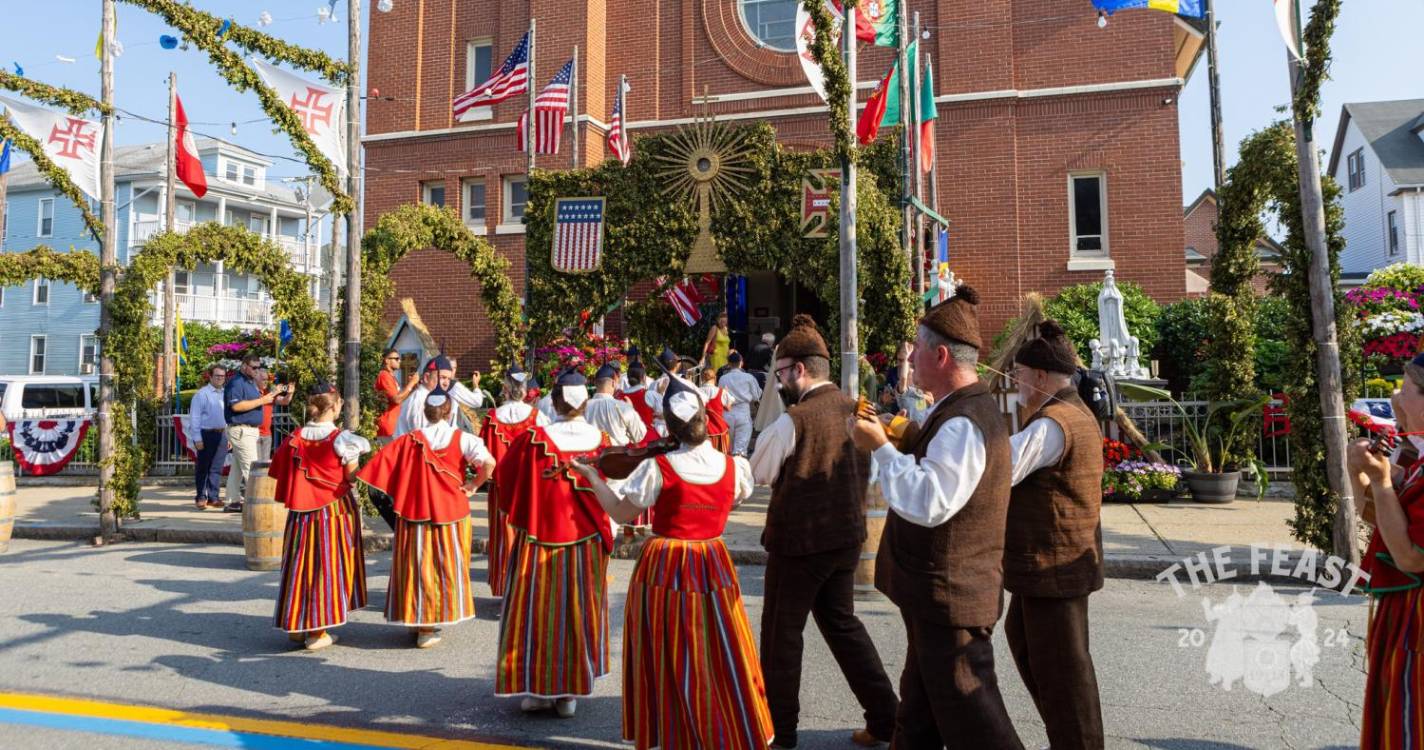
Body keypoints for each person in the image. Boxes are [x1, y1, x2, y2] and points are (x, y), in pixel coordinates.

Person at [849, 286, 1024, 750]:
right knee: (920, 713)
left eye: (916, 350)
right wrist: (901, 433)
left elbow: (929, 501)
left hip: (951, 597)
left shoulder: (965, 420)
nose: (910, 360)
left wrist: (881, 448)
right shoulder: (959, 410)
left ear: (941, 355)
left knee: (976, 718)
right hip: (938, 595)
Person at [574, 375, 774, 749]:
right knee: (719, 645)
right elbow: (734, 499)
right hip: (712, 557)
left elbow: (618, 510)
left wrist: (591, 477)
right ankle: (725, 726)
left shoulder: (658, 467)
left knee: (667, 649)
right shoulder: (734, 468)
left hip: (665, 560)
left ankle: (673, 731)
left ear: (671, 425)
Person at [750, 314, 899, 749]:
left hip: (799, 542)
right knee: (843, 626)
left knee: (781, 635)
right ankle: (886, 719)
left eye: (780, 374)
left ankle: (781, 733)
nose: (778, 383)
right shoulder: (859, 410)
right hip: (846, 537)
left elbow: (759, 474)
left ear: (798, 370)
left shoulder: (792, 421)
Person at [1004, 321, 1106, 750]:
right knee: (1030, 646)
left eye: (1021, 374)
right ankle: (1066, 737)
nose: (1016, 381)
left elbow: (999, 470)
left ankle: (1077, 744)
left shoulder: (1053, 423)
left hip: (1054, 566)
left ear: (1041, 376)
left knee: (1064, 671)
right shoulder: (1068, 412)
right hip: (1046, 566)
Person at [493, 370, 612, 718]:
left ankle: (540, 689)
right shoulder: (601, 442)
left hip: (537, 538)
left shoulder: (533, 439)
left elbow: (506, 481)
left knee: (537, 613)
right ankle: (569, 692)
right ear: (585, 402)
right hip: (586, 541)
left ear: (555, 400)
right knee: (577, 613)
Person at [358, 385, 496, 648]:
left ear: (426, 412)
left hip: (414, 512)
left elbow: (377, 471)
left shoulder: (409, 439)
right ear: (449, 411)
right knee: (444, 567)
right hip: (451, 513)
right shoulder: (463, 438)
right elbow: (489, 464)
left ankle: (417, 619)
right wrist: (474, 485)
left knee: (416, 566)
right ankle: (429, 624)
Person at [1349, 353, 1424, 750]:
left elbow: (1411, 555)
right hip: (1404, 614)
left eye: (1406, 388)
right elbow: (1379, 519)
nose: (1396, 397)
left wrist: (1379, 481)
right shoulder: (1416, 456)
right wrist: (1358, 471)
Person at [269, 383, 371, 651]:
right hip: (333, 512)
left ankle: (297, 624)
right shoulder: (342, 439)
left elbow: (279, 471)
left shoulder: (295, 437)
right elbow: (350, 477)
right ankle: (317, 631)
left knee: (299, 566)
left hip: (300, 514)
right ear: (336, 406)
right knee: (325, 567)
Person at [477, 362, 549, 597]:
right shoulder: (538, 417)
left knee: (502, 536)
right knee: (528, 533)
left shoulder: (492, 418)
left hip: (500, 488)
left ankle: (505, 587)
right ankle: (527, 587)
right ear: (525, 389)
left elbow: (481, 454)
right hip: (530, 487)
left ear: (506, 388)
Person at [224, 355, 278, 512]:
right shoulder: (236, 383)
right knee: (252, 470)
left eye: (258, 367)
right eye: (253, 367)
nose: (257, 370)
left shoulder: (249, 383)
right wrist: (262, 401)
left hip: (248, 429)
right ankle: (261, 505)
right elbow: (236, 407)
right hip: (241, 429)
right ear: (244, 366)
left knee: (237, 469)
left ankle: (232, 502)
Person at [395, 353, 484, 436]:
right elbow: (423, 439)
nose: (446, 383)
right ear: (426, 378)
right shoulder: (421, 401)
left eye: (448, 379)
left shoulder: (430, 398)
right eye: (442, 378)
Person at [186, 364, 229, 511]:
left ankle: (213, 497)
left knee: (217, 468)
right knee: (203, 467)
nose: (220, 379)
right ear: (210, 377)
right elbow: (195, 418)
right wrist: (197, 439)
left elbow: (228, 416)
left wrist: (228, 436)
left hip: (222, 433)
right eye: (217, 376)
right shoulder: (202, 394)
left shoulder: (226, 393)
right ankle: (200, 497)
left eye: (222, 376)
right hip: (206, 434)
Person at [583, 363, 648, 448]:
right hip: (618, 457)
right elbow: (638, 435)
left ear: (595, 383)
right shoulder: (624, 407)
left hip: (592, 456)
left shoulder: (583, 408)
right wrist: (631, 409)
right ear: (613, 383)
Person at [719, 352, 763, 456]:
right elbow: (757, 396)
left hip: (727, 414)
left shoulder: (723, 378)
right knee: (740, 451)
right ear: (741, 363)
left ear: (728, 364)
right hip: (743, 413)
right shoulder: (748, 377)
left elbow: (721, 396)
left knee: (728, 450)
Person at [375, 348, 418, 444]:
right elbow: (396, 400)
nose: (400, 361)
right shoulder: (384, 376)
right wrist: (411, 384)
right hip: (387, 426)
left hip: (393, 426)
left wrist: (412, 387)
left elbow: (400, 397)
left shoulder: (391, 377)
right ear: (386, 360)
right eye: (396, 358)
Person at [615, 359, 657, 448]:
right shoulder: (649, 394)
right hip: (649, 442)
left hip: (628, 443)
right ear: (643, 377)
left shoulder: (619, 396)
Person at [255, 370, 294, 461]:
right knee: (253, 465)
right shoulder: (252, 391)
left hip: (266, 434)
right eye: (263, 379)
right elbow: (261, 401)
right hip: (253, 434)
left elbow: (285, 401)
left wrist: (290, 393)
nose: (266, 381)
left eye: (267, 379)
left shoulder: (268, 392)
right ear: (255, 379)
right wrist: (275, 392)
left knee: (263, 466)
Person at [698, 366, 735, 453]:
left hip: (702, 431)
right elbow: (728, 408)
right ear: (715, 378)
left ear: (702, 378)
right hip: (719, 430)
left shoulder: (697, 391)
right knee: (722, 457)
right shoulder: (721, 392)